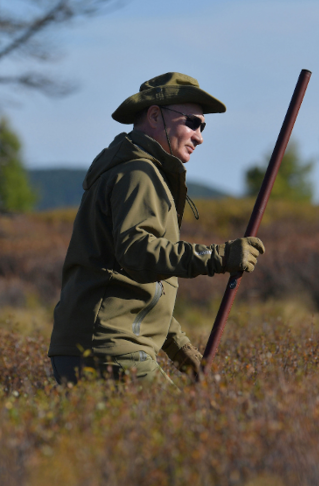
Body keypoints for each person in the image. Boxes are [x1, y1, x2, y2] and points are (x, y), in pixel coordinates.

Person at [48, 72, 265, 384]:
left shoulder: (131, 171)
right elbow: (138, 253)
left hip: (92, 346)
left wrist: (179, 349)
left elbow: (136, 288)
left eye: (203, 126)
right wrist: (220, 256)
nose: (200, 136)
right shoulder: (139, 174)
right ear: (154, 115)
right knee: (184, 431)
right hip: (112, 349)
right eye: (192, 122)